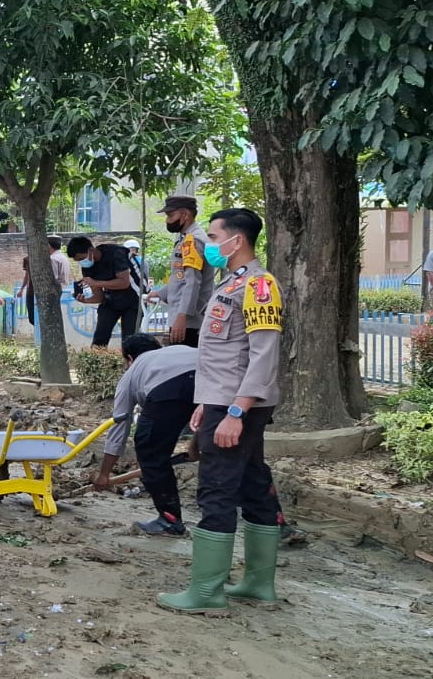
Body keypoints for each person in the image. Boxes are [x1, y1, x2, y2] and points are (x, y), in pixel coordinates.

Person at [158, 207, 284, 615]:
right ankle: (258, 584)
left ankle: (206, 592)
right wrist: (204, 403)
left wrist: (234, 411)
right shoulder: (232, 282)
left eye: (213, 237)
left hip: (238, 404)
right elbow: (220, 355)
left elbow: (263, 354)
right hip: (222, 400)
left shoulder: (259, 285)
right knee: (251, 481)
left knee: (217, 488)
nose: (208, 244)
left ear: (237, 240)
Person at [94, 333, 198, 536]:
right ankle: (269, 517)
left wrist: (104, 474)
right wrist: (196, 446)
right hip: (218, 381)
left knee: (149, 448)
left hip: (169, 390)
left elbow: (119, 425)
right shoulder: (183, 350)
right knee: (234, 454)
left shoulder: (133, 372)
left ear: (129, 359)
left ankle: (170, 520)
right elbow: (204, 410)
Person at [158, 195, 214, 348]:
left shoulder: (193, 241)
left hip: (188, 322)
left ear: (185, 215)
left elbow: (193, 281)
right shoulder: (185, 238)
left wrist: (182, 316)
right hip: (183, 319)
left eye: (170, 215)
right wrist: (160, 293)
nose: (167, 221)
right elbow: (180, 277)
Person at [67, 237, 139, 348]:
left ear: (91, 250)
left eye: (82, 258)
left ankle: (131, 363)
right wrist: (86, 300)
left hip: (134, 298)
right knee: (99, 338)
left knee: (129, 340)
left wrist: (96, 283)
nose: (82, 263)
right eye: (78, 261)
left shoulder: (116, 253)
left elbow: (124, 283)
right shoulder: (88, 268)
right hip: (111, 299)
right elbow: (99, 297)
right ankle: (96, 361)